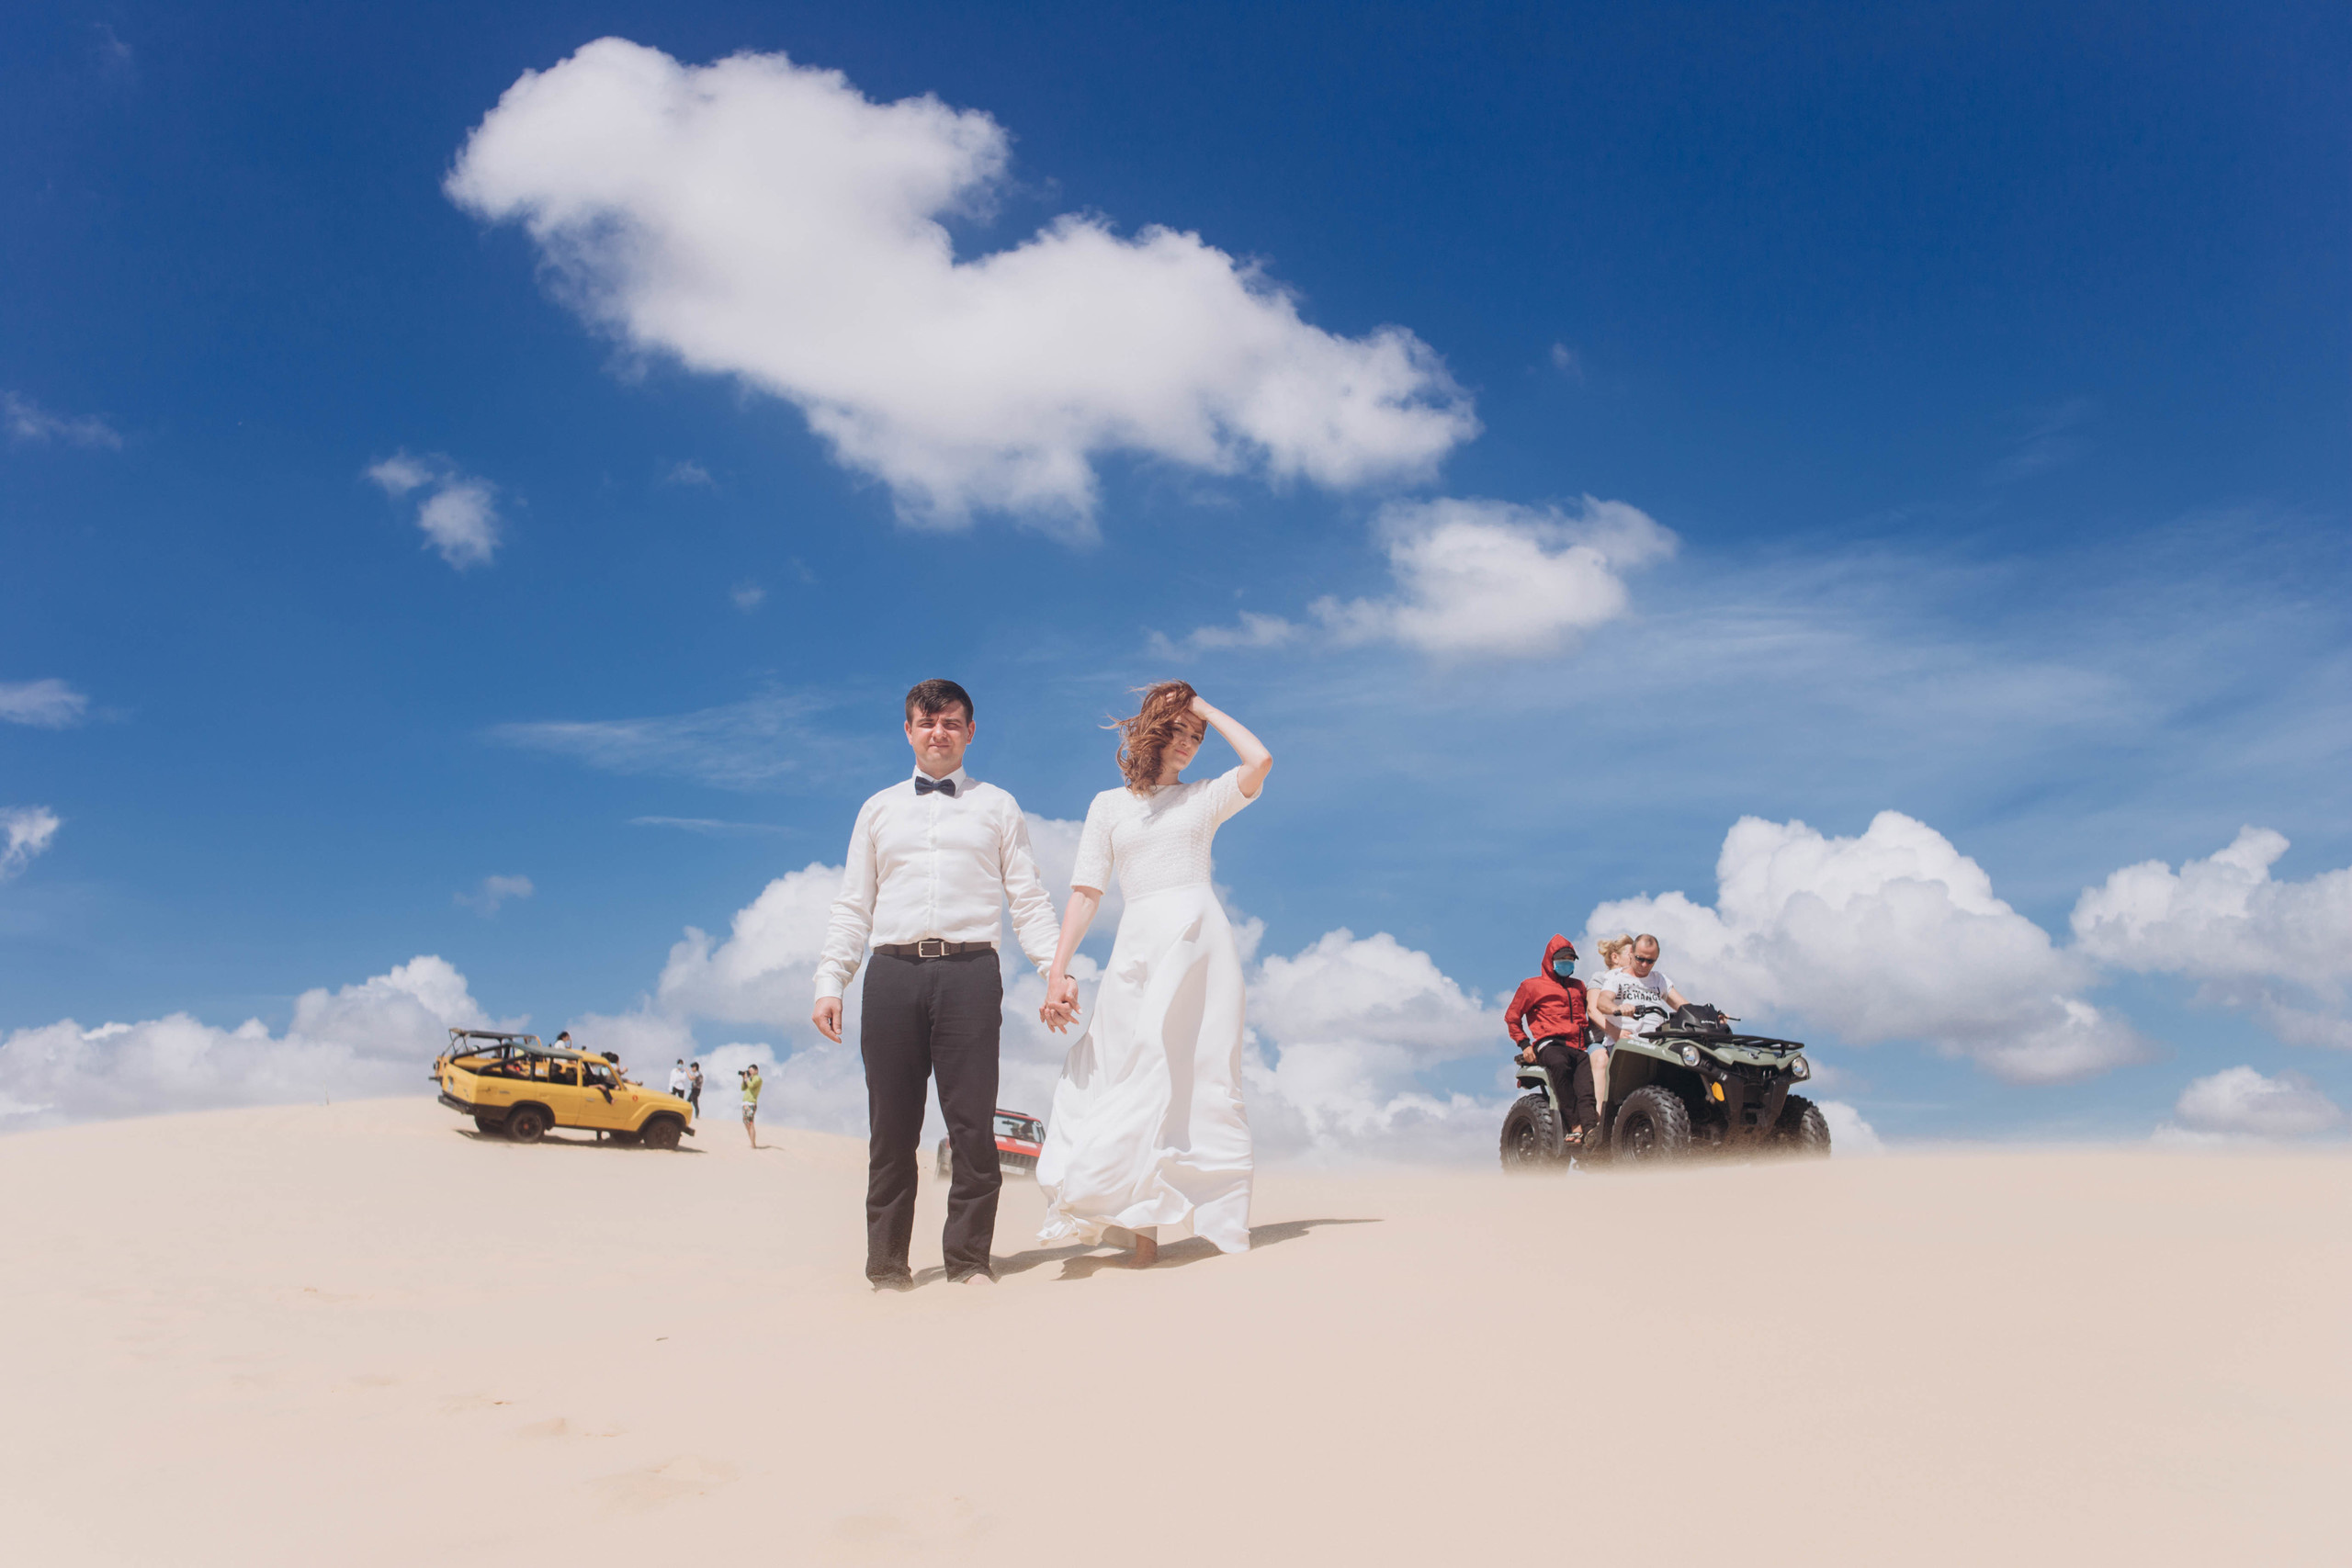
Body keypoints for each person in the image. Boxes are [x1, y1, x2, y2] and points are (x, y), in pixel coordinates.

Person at [811, 679, 1062, 1290]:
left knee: (973, 1125)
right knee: (891, 1127)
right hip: (892, 972)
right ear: (908, 731)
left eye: (951, 722)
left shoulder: (998, 805)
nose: (938, 732)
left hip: (972, 973)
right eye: (927, 722)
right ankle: (888, 1266)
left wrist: (1055, 970)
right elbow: (853, 904)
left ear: (970, 731)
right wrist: (830, 979)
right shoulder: (877, 809)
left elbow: (1027, 897)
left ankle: (970, 1262)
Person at [1035, 682, 1272, 1268]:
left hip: (1198, 947)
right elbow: (1086, 892)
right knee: (1128, 1071)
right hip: (1137, 947)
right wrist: (1057, 970)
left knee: (1197, 1075)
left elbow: (1260, 761)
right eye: (1181, 731)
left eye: (1197, 736)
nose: (1190, 744)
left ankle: (1186, 1232)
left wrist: (1207, 709)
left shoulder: (1204, 797)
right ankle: (1140, 1237)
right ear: (1153, 732)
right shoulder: (1107, 807)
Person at [1504, 935, 1600, 1144]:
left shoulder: (1579, 986)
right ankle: (1575, 1125)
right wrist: (1524, 1044)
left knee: (1586, 1083)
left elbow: (1592, 1011)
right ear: (1550, 960)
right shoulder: (1531, 986)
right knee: (1559, 1064)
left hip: (1578, 1046)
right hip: (1550, 1044)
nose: (1566, 962)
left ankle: (1592, 1131)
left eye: (1570, 959)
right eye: (1562, 958)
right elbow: (1512, 1017)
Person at [1589, 933, 1692, 1042]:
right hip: (1627, 1042)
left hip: (1657, 1044)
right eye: (1640, 959)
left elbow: (1686, 1008)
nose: (1644, 965)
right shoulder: (1616, 977)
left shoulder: (1660, 980)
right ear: (1631, 953)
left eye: (1650, 961)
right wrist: (1617, 1009)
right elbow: (1602, 1002)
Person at [740, 1064, 763, 1148]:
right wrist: (744, 1079)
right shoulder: (749, 1079)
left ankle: (753, 1144)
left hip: (751, 1103)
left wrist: (747, 1078)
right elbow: (743, 1088)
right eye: (749, 1071)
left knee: (750, 1123)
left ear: (756, 1071)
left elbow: (752, 1086)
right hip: (745, 1103)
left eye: (751, 1070)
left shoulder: (757, 1079)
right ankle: (752, 1142)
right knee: (746, 1124)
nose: (750, 1072)